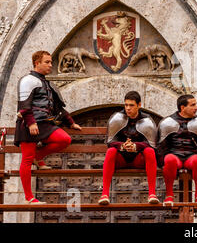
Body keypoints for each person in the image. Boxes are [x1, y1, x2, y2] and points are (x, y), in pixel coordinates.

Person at [14, 50, 82, 204]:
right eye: (47, 62)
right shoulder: (27, 80)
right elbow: (24, 106)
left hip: (44, 124)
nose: (51, 65)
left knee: (64, 139)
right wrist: (31, 123)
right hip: (27, 124)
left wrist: (71, 122)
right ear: (37, 63)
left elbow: (58, 108)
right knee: (26, 159)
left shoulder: (48, 84)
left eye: (51, 62)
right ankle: (29, 198)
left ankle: (39, 157)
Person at [98, 91, 159, 205]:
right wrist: (122, 145)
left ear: (139, 105)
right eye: (126, 105)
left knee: (150, 151)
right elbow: (110, 142)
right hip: (121, 159)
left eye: (131, 105)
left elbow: (151, 144)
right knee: (111, 151)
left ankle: (152, 193)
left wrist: (136, 146)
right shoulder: (117, 118)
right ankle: (104, 194)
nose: (128, 108)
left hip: (138, 160)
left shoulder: (147, 120)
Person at [157, 94, 197, 206]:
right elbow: (161, 145)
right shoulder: (167, 122)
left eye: (195, 104)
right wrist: (162, 160)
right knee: (170, 160)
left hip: (191, 156)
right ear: (182, 107)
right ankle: (169, 195)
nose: (196, 107)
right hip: (174, 155)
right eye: (193, 105)